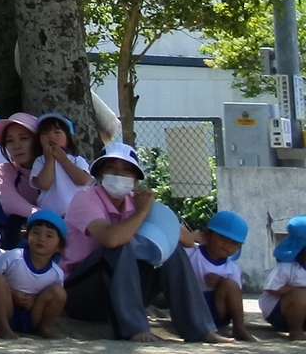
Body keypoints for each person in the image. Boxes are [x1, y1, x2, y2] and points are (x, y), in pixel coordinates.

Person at [60, 139, 211, 341]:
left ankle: (200, 329)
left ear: (135, 180)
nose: (118, 174)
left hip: (123, 291)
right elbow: (111, 239)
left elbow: (184, 239)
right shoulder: (85, 199)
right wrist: (141, 213)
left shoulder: (137, 201)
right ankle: (134, 329)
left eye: (125, 170)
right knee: (118, 247)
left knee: (170, 249)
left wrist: (156, 210)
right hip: (83, 294)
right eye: (111, 168)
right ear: (99, 174)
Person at [0, 210, 72, 337]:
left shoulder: (56, 273)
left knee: (58, 292)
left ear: (59, 246)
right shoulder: (13, 256)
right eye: (36, 232)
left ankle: (44, 328)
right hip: (5, 308)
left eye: (49, 236)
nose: (41, 239)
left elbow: (54, 301)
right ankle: (4, 328)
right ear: (27, 236)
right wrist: (13, 293)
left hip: (32, 314)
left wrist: (35, 299)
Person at [188, 210, 251, 340]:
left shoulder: (231, 268)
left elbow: (236, 295)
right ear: (207, 234)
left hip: (217, 311)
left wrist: (221, 282)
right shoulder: (192, 253)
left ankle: (239, 328)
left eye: (234, 243)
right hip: (192, 307)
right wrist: (191, 237)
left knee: (229, 284)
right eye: (222, 238)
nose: (227, 245)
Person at [263, 212, 306, 336]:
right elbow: (272, 288)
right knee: (301, 295)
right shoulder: (286, 266)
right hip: (279, 313)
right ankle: (296, 331)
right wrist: (298, 290)